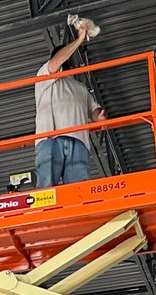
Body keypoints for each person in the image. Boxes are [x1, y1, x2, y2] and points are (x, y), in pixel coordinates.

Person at [34, 20, 106, 189]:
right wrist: (79, 39)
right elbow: (55, 64)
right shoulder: (44, 76)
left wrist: (100, 117)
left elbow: (93, 110)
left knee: (78, 192)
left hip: (78, 141)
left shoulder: (81, 88)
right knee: (46, 190)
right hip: (50, 138)